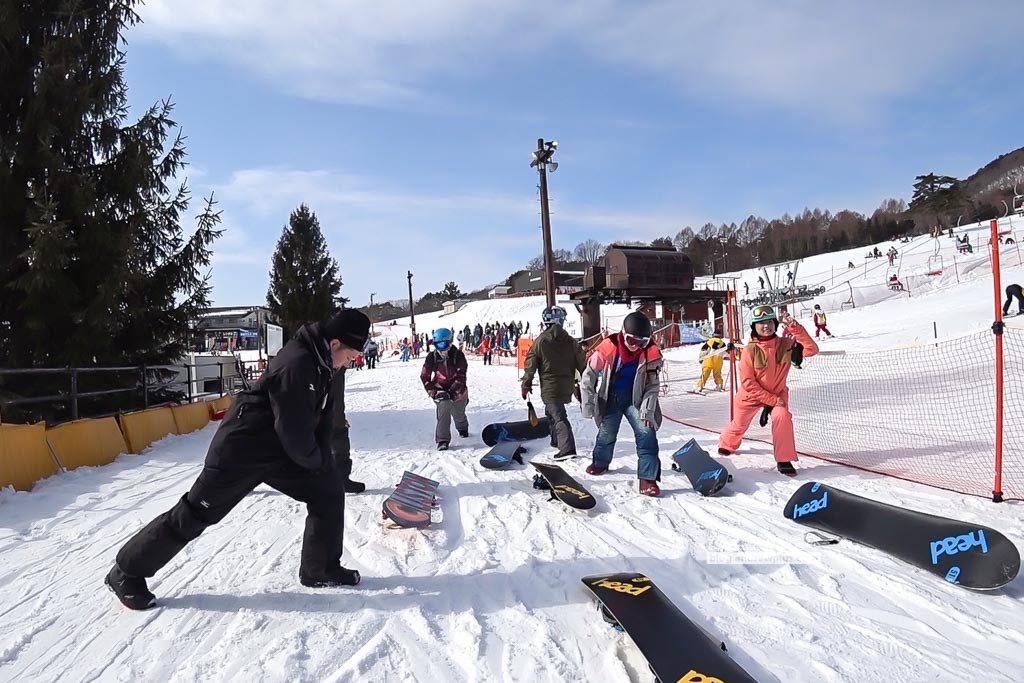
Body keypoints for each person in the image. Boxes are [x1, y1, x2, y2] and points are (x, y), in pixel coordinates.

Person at [105, 310, 371, 609]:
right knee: (196, 513)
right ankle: (126, 572)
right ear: (335, 343)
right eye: (351, 354)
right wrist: (316, 461)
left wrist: (324, 463)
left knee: (328, 489)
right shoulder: (297, 364)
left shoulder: (323, 363)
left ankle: (320, 568)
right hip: (242, 450)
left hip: (277, 450)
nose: (353, 361)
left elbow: (320, 418)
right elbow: (294, 430)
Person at [718, 306, 817, 476]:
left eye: (769, 322)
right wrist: (771, 400)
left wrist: (794, 326)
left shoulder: (786, 345)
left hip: (778, 394)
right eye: (761, 323)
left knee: (782, 417)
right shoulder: (750, 350)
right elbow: (748, 383)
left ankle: (784, 459)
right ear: (754, 327)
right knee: (739, 424)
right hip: (750, 397)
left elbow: (811, 349)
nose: (766, 326)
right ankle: (727, 443)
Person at [580, 311, 664, 497]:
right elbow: (588, 376)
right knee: (606, 433)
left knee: (646, 433)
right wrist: (589, 404)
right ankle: (600, 462)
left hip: (637, 399)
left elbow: (653, 386)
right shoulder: (609, 347)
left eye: (641, 342)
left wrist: (648, 409)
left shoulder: (650, 353)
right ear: (623, 334)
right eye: (632, 341)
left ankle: (647, 478)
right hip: (611, 397)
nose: (635, 347)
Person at [521, 306, 587, 460]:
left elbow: (530, 365)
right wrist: (587, 382)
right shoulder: (570, 341)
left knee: (558, 416)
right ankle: (556, 440)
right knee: (551, 412)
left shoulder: (540, 341)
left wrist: (526, 385)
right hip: (567, 384)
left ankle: (567, 449)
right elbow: (582, 363)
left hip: (550, 385)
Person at [421, 329, 469, 450]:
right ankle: (443, 440)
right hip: (440, 388)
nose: (441, 348)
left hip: (458, 390)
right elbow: (424, 375)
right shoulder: (432, 357)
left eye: (444, 344)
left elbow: (461, 376)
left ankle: (463, 427)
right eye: (438, 345)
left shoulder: (458, 355)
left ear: (450, 342)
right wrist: (432, 391)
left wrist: (452, 392)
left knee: (458, 414)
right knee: (444, 409)